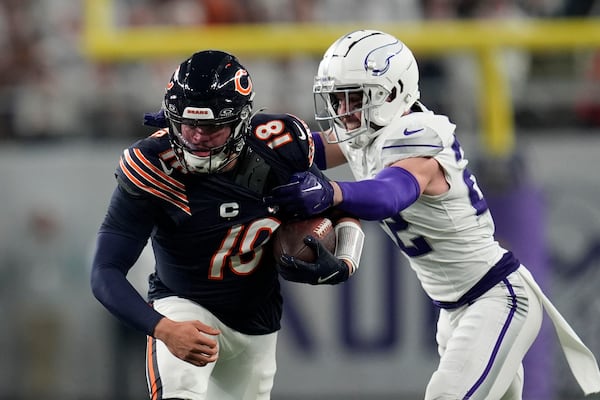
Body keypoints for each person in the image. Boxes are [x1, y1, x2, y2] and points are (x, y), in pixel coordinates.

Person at [266, 30, 600, 399]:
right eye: (337, 100)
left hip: (495, 298)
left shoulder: (416, 136)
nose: (343, 112)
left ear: (391, 94)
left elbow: (389, 194)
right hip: (454, 310)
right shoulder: (367, 133)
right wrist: (254, 146)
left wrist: (332, 191)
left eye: (353, 99)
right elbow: (303, 151)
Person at [90, 50, 365, 400]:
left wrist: (346, 261)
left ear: (241, 121)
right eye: (188, 125)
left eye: (212, 127)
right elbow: (105, 270)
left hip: (258, 324)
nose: (197, 137)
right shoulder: (153, 166)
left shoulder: (276, 148)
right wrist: (163, 328)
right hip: (184, 306)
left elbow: (337, 205)